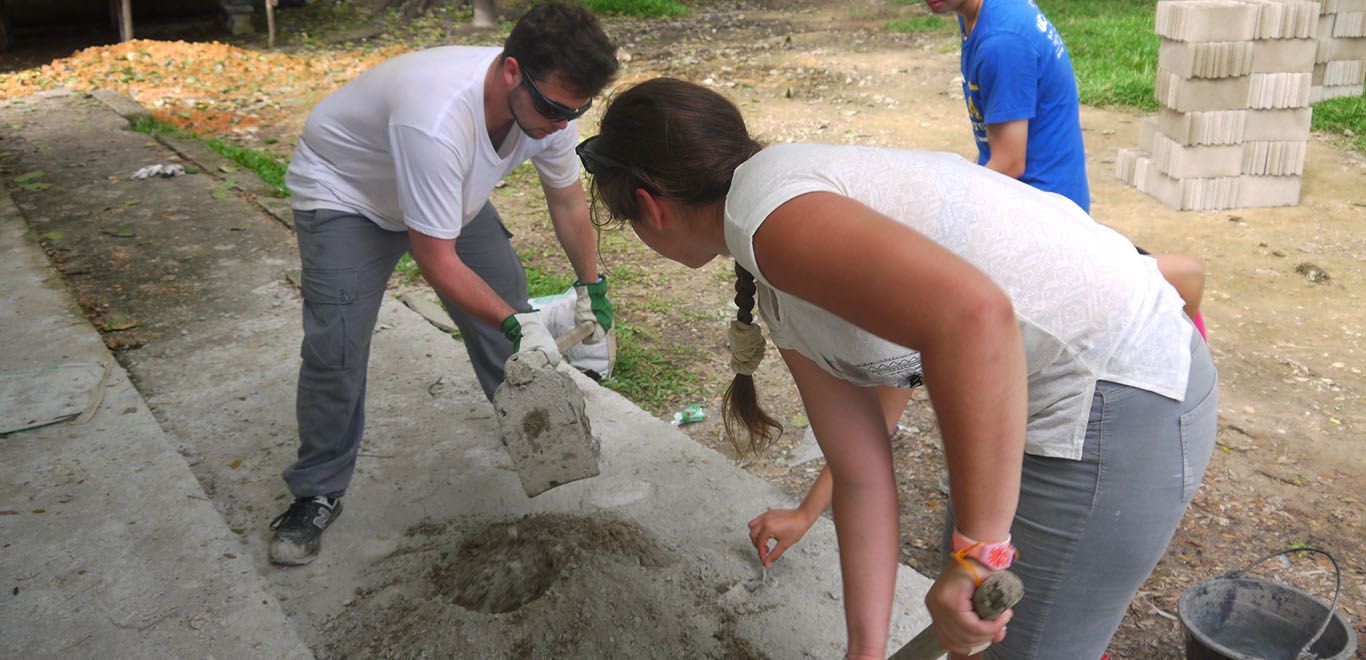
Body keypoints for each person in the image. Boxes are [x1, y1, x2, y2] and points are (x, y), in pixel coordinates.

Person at [578, 78, 1218, 659]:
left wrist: (979, 554)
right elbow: (860, 475)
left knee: (1015, 637)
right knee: (973, 614)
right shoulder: (778, 269)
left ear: (649, 205)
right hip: (1053, 387)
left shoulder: (770, 214)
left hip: (1120, 382)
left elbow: (975, 318)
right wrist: (864, 647)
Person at [268, 2, 619, 566]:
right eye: (554, 108)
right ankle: (317, 489)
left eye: (575, 110)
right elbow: (434, 258)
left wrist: (591, 285)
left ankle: (537, 430)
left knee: (508, 317)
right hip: (349, 192)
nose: (562, 123)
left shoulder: (553, 105)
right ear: (511, 71)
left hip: (444, 191)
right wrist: (515, 319)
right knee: (338, 343)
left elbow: (568, 201)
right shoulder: (435, 121)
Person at [930, 0, 1208, 338]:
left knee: (936, 289)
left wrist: (948, 213)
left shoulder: (1001, 41)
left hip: (1044, 216)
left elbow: (1009, 163)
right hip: (1038, 199)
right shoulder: (986, 14)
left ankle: (1171, 298)